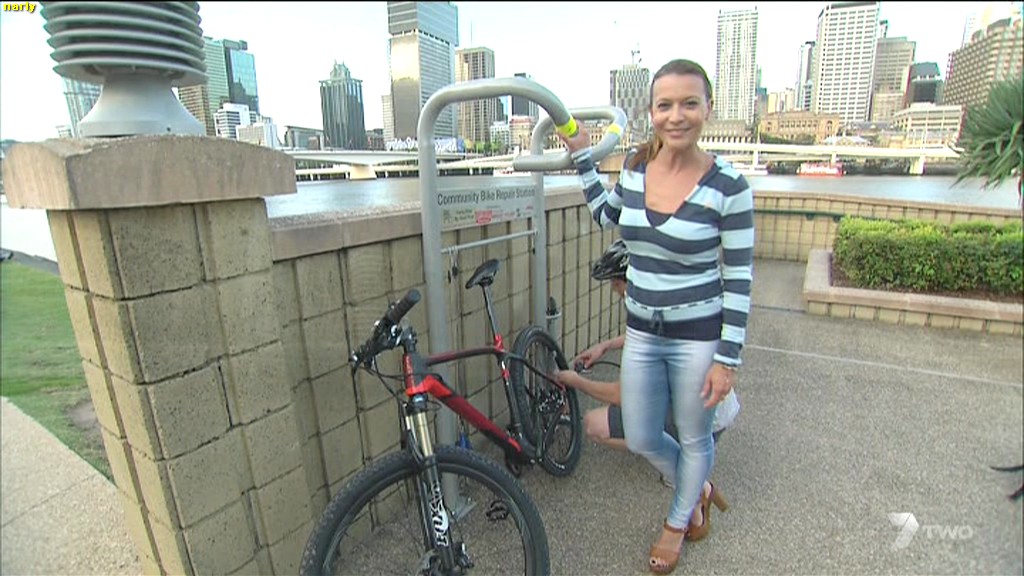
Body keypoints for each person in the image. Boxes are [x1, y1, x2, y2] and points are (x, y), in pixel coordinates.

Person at [557, 58, 754, 575]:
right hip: (643, 331)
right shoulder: (636, 168)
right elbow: (607, 215)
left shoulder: (729, 187)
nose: (677, 115)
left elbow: (739, 279)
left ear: (708, 108)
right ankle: (699, 487)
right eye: (665, 104)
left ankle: (677, 520)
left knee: (694, 436)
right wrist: (582, 156)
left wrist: (727, 360)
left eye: (689, 103)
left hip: (698, 337)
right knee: (643, 435)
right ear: (651, 112)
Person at [555, 239, 739, 540]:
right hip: (717, 412)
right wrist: (605, 346)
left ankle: (698, 490)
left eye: (617, 284)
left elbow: (622, 395)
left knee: (594, 424)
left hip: (702, 418)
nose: (615, 291)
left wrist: (575, 381)